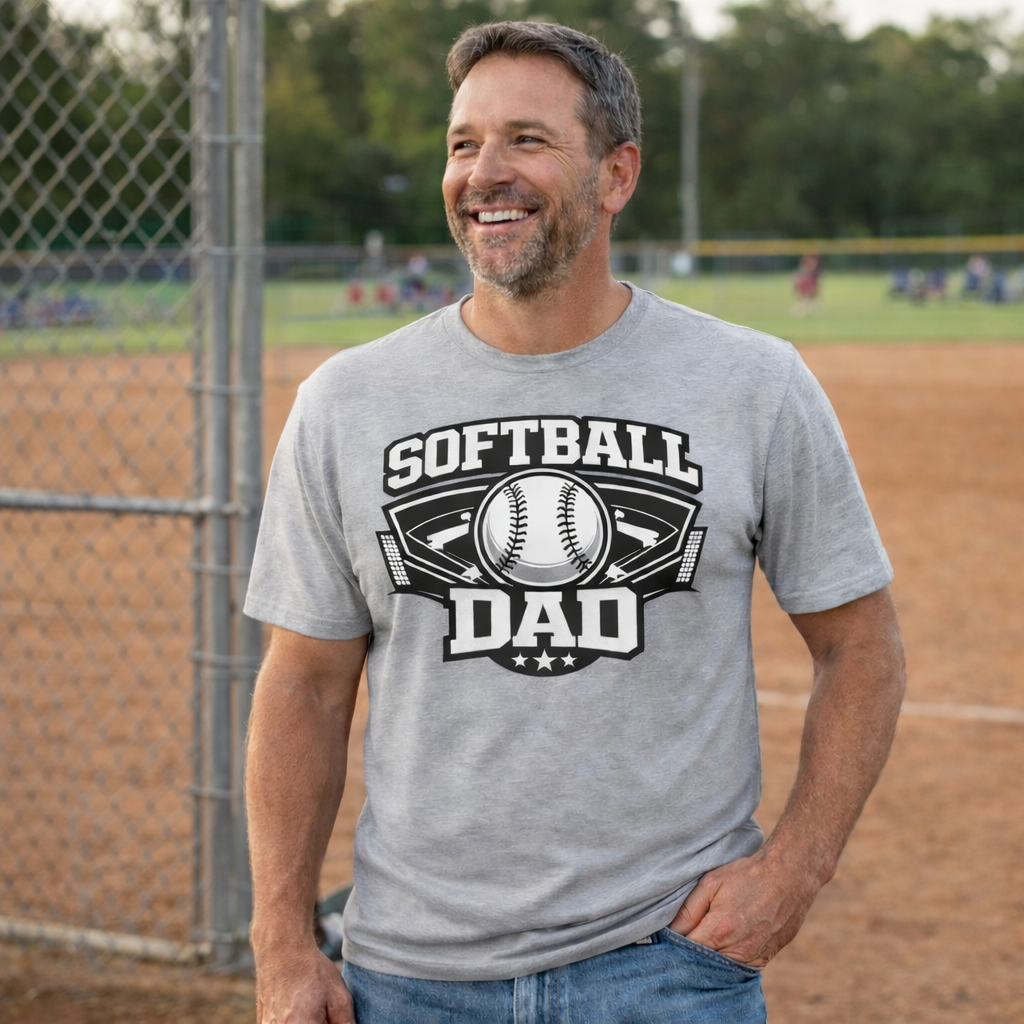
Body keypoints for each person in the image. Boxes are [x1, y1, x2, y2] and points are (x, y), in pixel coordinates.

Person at [243, 21, 905, 1024]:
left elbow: (862, 648)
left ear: (617, 173)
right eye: (463, 144)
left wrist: (794, 872)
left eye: (527, 140)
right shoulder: (347, 401)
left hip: (666, 968)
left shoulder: (752, 383)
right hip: (408, 973)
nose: (484, 173)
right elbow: (303, 681)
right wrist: (283, 942)